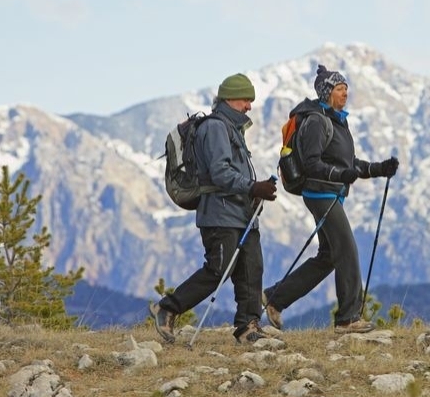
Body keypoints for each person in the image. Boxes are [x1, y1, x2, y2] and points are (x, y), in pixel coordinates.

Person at [262, 64, 398, 333]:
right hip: (319, 193)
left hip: (331, 192)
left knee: (328, 256)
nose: (345, 93)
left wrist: (379, 168)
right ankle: (348, 319)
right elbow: (313, 164)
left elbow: (348, 163)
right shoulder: (316, 121)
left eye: (346, 88)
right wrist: (340, 174)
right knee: (347, 249)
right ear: (326, 93)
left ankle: (275, 298)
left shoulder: (338, 120)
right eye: (339, 89)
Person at [149, 73, 278, 344]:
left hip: (241, 214)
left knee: (251, 268)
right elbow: (220, 172)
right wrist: (253, 188)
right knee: (219, 269)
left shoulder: (233, 129)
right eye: (246, 99)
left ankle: (248, 326)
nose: (249, 106)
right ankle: (168, 307)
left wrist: (253, 194)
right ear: (230, 98)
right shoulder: (216, 128)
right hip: (219, 214)